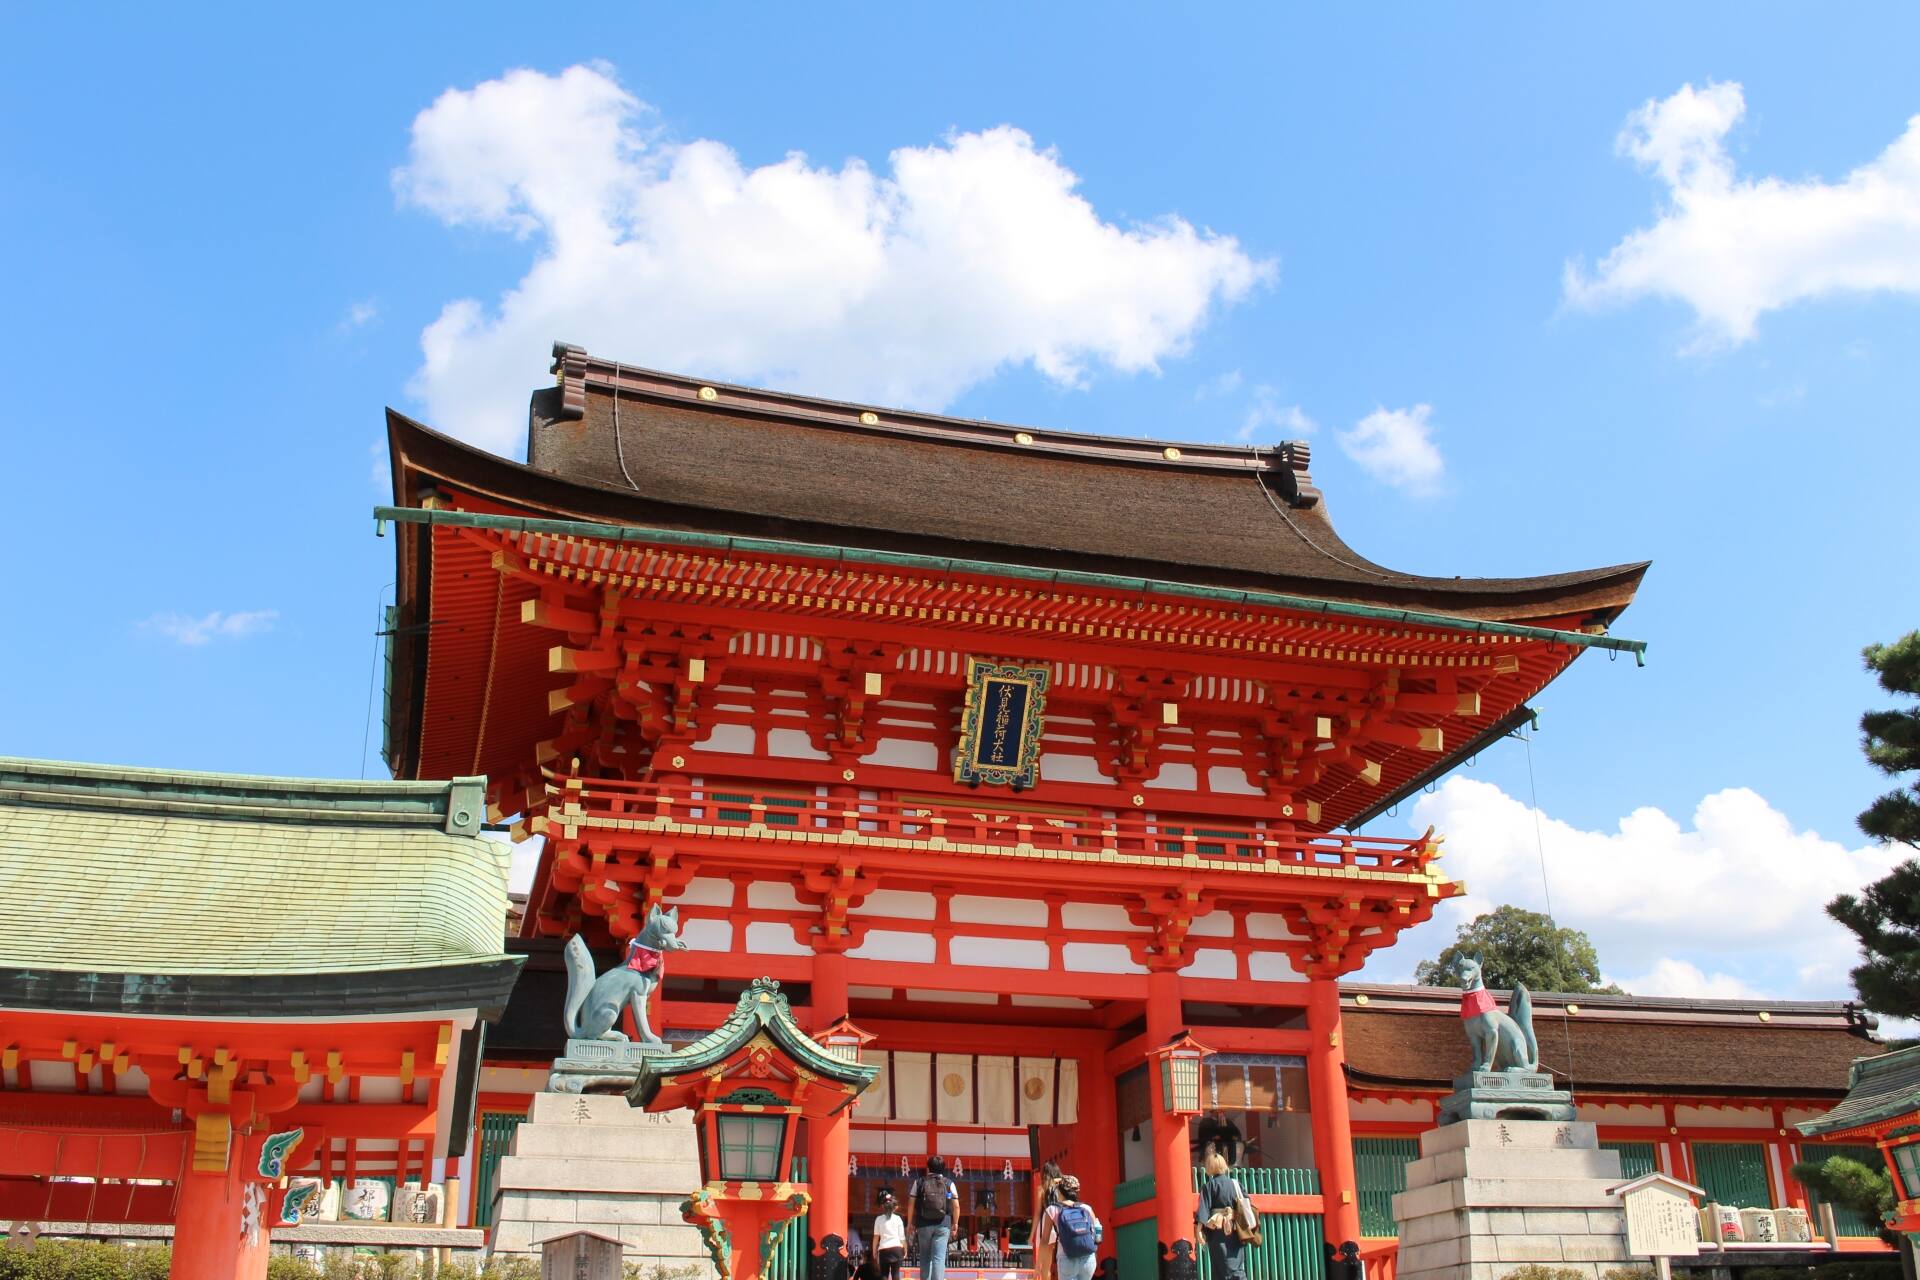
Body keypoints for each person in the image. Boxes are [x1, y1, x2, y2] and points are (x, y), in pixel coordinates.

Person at [1195, 1150, 1250, 1280]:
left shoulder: (1209, 1187)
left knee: (1221, 1268)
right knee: (1237, 1266)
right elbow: (1246, 1204)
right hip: (1236, 1229)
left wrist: (1198, 1231)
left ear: (1210, 1167)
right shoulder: (1236, 1184)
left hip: (1218, 1232)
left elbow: (1203, 1209)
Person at [1035, 1174, 1102, 1280]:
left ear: (1060, 1192)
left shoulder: (1053, 1210)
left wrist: (1038, 1265)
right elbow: (1097, 1234)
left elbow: (1044, 1241)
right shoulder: (1086, 1208)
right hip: (1088, 1259)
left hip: (1067, 1258)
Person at [909, 1155, 957, 1280]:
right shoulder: (949, 1183)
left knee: (925, 1257)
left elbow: (911, 1204)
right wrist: (955, 1223)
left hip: (923, 1224)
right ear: (943, 1168)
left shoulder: (919, 1182)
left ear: (928, 1167)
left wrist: (910, 1223)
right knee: (939, 1258)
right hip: (943, 1223)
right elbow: (956, 1206)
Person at [1028, 1160, 1065, 1280]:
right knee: (1056, 1260)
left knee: (1044, 1265)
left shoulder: (1042, 1189)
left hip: (1046, 1223)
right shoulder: (1062, 1187)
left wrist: (1031, 1235)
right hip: (1059, 1222)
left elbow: (1037, 1213)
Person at [873, 1189, 907, 1280]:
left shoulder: (878, 1219)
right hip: (897, 1248)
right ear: (894, 1207)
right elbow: (902, 1238)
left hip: (884, 1249)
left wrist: (874, 1252)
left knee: (884, 1274)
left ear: (883, 1206)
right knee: (895, 1274)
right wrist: (906, 1248)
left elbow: (876, 1237)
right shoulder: (898, 1219)